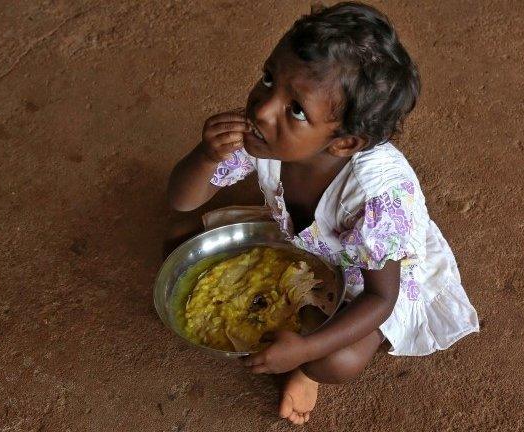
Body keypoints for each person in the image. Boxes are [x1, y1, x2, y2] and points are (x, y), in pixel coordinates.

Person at [166, 2, 479, 425]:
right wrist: (205, 156)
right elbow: (182, 198)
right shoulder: (263, 136)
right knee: (178, 239)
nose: (262, 109)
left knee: (337, 362)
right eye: (268, 78)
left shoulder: (375, 200)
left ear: (344, 143)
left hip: (373, 272)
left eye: (296, 109)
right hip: (309, 242)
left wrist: (305, 353)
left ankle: (307, 374)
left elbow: (381, 298)